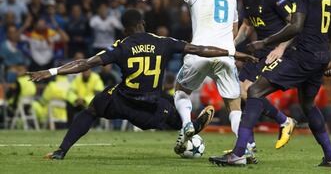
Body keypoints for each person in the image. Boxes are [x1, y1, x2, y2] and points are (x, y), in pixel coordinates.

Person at [27, 9, 257, 160]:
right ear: (143, 24)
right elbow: (199, 50)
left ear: (125, 28)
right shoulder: (163, 42)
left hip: (121, 100)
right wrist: (233, 52)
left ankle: (61, 151)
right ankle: (187, 126)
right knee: (172, 100)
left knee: (92, 109)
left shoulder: (122, 45)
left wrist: (50, 71)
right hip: (151, 110)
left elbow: (85, 63)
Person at [209, 0, 331, 167]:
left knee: (254, 91)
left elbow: (295, 26)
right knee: (308, 104)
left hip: (302, 55)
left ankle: (239, 152)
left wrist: (267, 42)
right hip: (321, 56)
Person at [140, 0, 247, 155]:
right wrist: (227, 48)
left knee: (181, 90)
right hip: (224, 54)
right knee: (234, 104)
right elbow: (234, 31)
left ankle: (187, 123)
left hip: (199, 52)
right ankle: (244, 147)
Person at [234, 0, 297, 150]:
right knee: (238, 92)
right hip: (259, 49)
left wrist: (281, 47)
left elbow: (294, 24)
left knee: (251, 91)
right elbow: (247, 25)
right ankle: (250, 144)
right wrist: (232, 45)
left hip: (275, 50)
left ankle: (283, 121)